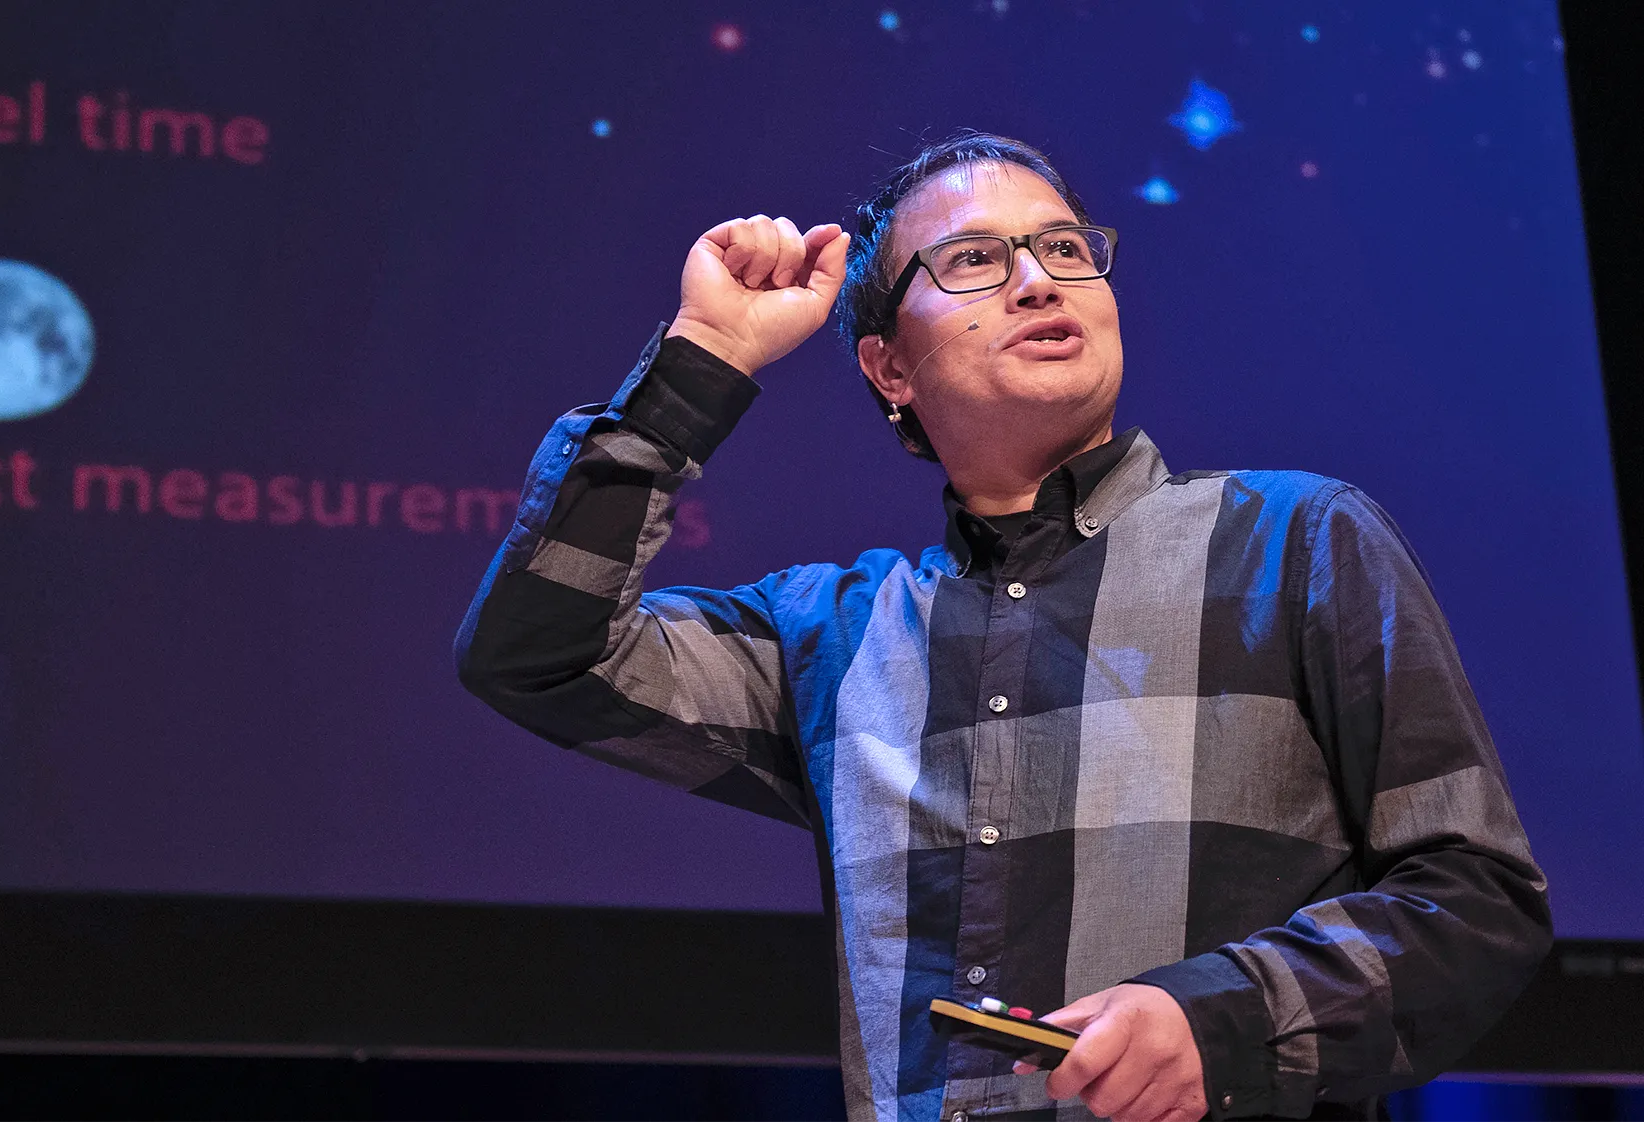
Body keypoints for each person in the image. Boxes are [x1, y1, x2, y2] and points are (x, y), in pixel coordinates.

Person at [455, 132, 1551, 1122]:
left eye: (1066, 248)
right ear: (888, 368)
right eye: (974, 261)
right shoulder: (832, 637)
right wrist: (701, 360)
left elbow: (1474, 898)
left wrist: (1219, 1022)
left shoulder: (1294, 541)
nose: (1037, 281)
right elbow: (539, 652)